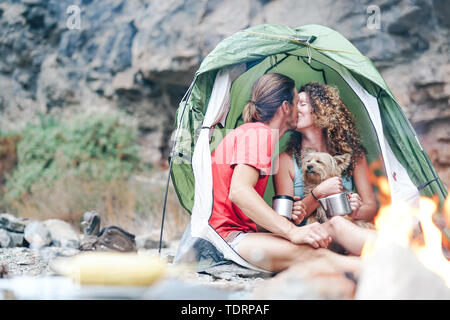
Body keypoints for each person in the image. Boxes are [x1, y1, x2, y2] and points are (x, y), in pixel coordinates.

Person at [208, 74, 361, 273]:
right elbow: (239, 191)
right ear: (285, 107)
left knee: (334, 227)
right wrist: (291, 231)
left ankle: (396, 250)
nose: (300, 108)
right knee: (314, 253)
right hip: (226, 239)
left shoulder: (254, 133)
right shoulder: (259, 133)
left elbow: (236, 208)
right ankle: (384, 269)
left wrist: (286, 217)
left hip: (240, 233)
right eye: (298, 102)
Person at [274, 82, 378, 257]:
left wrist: (355, 209)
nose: (295, 108)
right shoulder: (285, 161)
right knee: (338, 225)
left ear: (321, 110)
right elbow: (286, 220)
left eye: (302, 103)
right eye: (294, 104)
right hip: (311, 236)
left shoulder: (353, 155)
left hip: (349, 229)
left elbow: (371, 207)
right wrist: (319, 193)